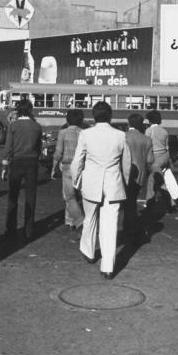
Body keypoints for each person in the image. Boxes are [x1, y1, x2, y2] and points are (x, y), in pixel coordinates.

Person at [70, 101, 132, 279]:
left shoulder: (86, 134)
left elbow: (77, 161)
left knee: (90, 218)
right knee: (110, 225)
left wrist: (77, 181)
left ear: (93, 116)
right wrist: (124, 183)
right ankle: (108, 267)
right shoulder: (120, 135)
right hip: (113, 185)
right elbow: (126, 164)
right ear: (110, 115)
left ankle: (88, 251)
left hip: (91, 183)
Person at [1, 98, 43, 242]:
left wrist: (4, 167)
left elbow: (8, 148)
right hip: (32, 162)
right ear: (30, 110)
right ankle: (29, 230)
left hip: (16, 162)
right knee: (31, 196)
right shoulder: (37, 127)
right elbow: (39, 148)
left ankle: (11, 228)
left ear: (18, 111)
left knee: (13, 196)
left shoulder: (13, 126)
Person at [51, 109, 85, 231]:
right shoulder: (84, 132)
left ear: (67, 120)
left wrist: (53, 167)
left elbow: (58, 152)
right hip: (82, 167)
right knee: (78, 195)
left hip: (67, 166)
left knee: (69, 196)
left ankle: (75, 220)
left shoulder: (63, 132)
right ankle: (70, 219)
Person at [122, 113, 153, 242]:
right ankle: (131, 227)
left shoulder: (123, 137)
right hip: (139, 175)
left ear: (129, 123)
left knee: (124, 202)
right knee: (132, 201)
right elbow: (150, 160)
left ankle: (128, 226)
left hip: (124, 173)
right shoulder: (147, 140)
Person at [145, 110, 178, 210]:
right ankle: (176, 196)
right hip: (164, 157)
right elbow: (167, 148)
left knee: (153, 181)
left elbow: (147, 147)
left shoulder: (149, 131)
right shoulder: (164, 131)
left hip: (155, 158)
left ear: (150, 120)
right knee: (167, 176)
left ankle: (166, 203)